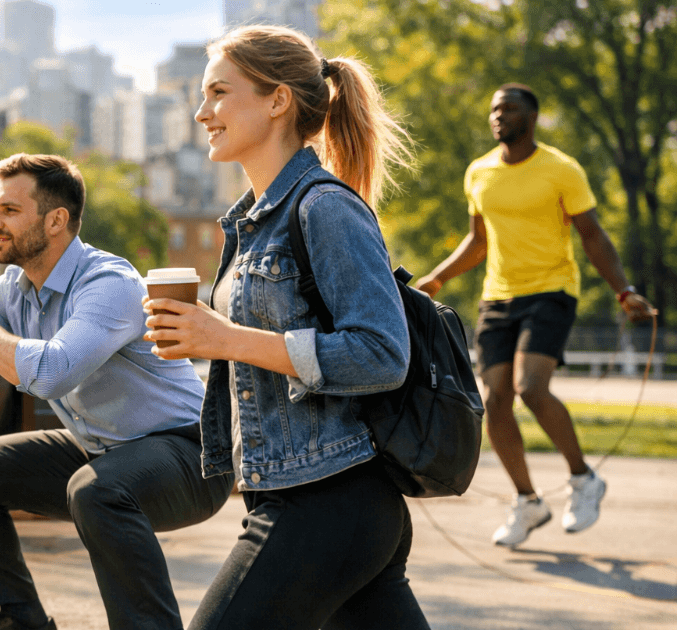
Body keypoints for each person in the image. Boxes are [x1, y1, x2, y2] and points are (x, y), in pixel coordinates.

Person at [143, 25, 429, 629]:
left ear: (277, 101)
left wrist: (223, 338)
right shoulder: (252, 222)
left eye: (219, 93)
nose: (202, 113)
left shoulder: (324, 207)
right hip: (306, 497)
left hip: (328, 498)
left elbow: (382, 352)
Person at [0, 153, 233, 630]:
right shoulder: (11, 289)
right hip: (100, 449)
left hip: (190, 455)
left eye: (9, 211)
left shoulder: (109, 283)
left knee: (97, 493)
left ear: (56, 220)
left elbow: (54, 373)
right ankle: (22, 620)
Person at [414, 84, 655, 547]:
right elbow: (478, 241)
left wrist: (624, 291)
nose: (499, 116)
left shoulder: (561, 169)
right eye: (494, 109)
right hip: (498, 298)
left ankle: (584, 480)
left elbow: (592, 234)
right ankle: (528, 501)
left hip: (552, 291)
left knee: (530, 388)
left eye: (510, 108)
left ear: (533, 117)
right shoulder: (479, 172)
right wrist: (437, 278)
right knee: (496, 399)